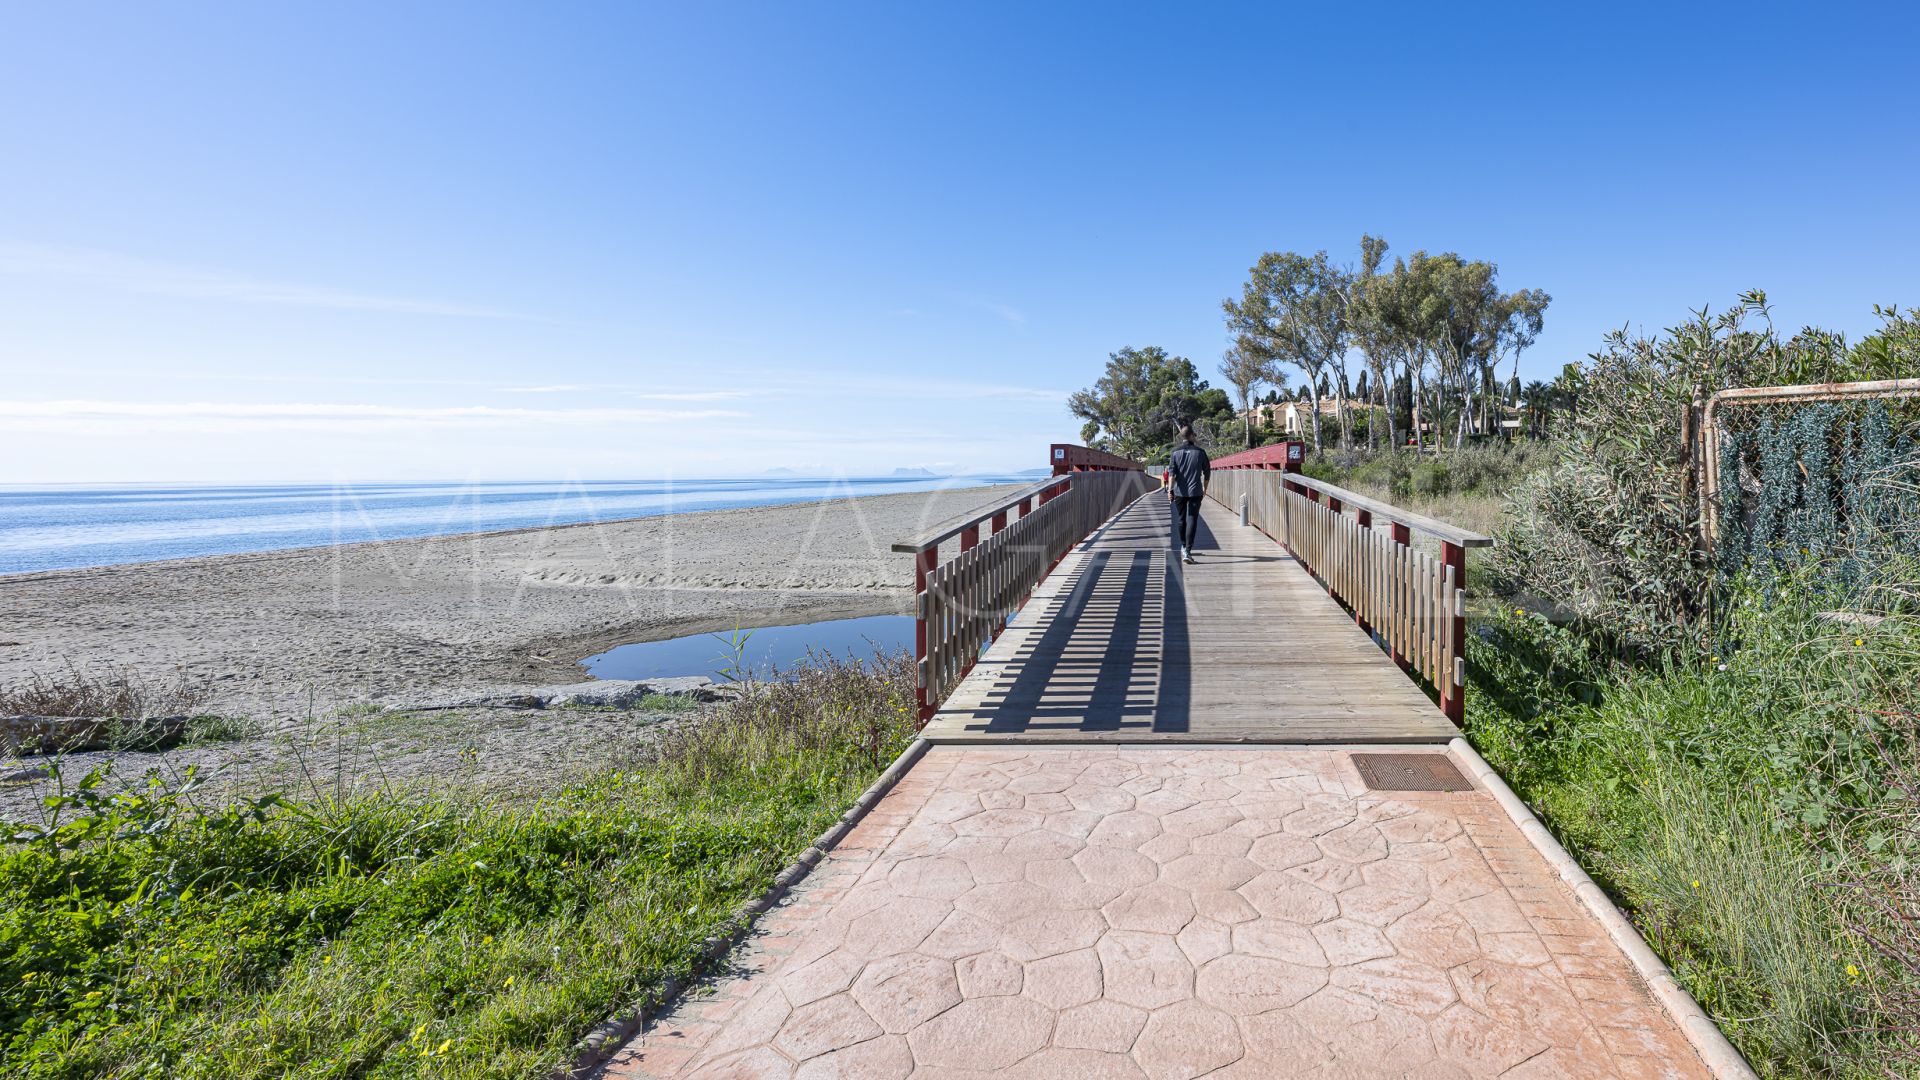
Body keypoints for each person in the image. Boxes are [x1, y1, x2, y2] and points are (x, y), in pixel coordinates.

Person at [1163, 425, 1210, 564]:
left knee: (1181, 519)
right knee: (1192, 519)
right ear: (1190, 436)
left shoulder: (1175, 452)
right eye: (1194, 435)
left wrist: (1170, 490)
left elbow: (1172, 474)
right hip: (1195, 491)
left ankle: (1183, 546)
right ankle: (1188, 551)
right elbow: (1207, 473)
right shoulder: (1200, 452)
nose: (1195, 437)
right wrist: (1205, 488)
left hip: (1179, 492)